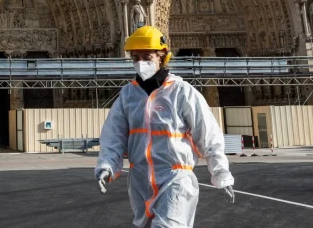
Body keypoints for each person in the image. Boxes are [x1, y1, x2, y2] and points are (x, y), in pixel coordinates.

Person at [95, 26, 235, 227]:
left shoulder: (182, 92)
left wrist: (221, 173)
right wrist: (106, 166)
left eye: (147, 56)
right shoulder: (127, 96)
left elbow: (208, 136)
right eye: (136, 58)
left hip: (176, 178)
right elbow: (113, 137)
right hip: (140, 182)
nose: (141, 62)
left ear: (161, 56)